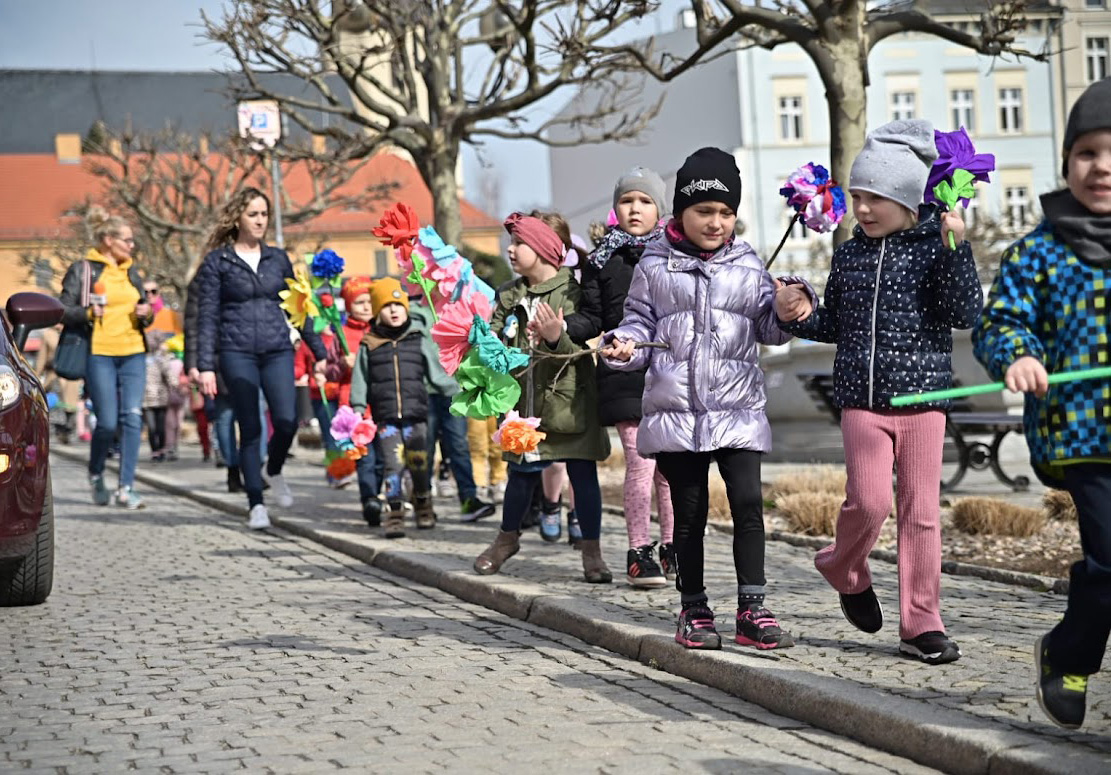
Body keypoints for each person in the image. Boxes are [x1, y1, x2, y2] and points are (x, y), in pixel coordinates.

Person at [780, 120, 982, 665]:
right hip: (861, 401)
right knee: (867, 503)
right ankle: (843, 566)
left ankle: (922, 623)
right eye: (858, 197)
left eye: (876, 199)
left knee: (920, 514)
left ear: (908, 199)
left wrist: (957, 248)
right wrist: (800, 313)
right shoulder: (848, 254)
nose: (863, 209)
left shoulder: (937, 247)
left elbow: (965, 314)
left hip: (922, 403)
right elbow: (834, 323)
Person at [603, 147, 801, 650]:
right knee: (689, 516)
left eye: (725, 212)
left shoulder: (748, 262)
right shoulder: (654, 264)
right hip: (677, 413)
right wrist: (622, 345)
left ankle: (752, 608)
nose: (715, 222)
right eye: (704, 212)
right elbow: (638, 323)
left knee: (749, 507)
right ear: (681, 214)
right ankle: (693, 608)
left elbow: (769, 327)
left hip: (737, 411)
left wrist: (788, 306)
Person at [973, 78, 1111, 728]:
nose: (1101, 166)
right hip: (1081, 437)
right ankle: (1068, 655)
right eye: (1086, 152)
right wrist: (1018, 354)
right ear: (1065, 163)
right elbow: (999, 322)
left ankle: (1067, 646)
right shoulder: (1037, 251)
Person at [473, 210, 612, 583]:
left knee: (583, 476)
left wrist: (555, 335)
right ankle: (506, 539)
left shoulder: (574, 291)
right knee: (521, 474)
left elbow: (579, 345)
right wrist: (481, 345)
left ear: (545, 249)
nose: (511, 250)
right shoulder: (509, 294)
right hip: (525, 404)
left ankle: (592, 552)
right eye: (512, 242)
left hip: (571, 401)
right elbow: (495, 340)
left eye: (520, 243)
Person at [565, 166, 676, 586]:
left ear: (659, 209)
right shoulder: (601, 261)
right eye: (627, 200)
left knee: (671, 467)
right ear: (615, 208)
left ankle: (672, 547)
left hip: (667, 370)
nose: (635, 208)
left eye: (645, 201)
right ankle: (638, 550)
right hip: (622, 373)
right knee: (639, 461)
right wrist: (562, 328)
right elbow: (592, 316)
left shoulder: (674, 255)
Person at [195, 187, 328, 529]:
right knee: (250, 426)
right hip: (235, 351)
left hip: (277, 348)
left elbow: (299, 307)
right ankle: (256, 503)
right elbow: (206, 315)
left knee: (286, 421)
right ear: (237, 217)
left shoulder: (278, 259)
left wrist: (320, 351)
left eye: (264, 214)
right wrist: (205, 365)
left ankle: (275, 468)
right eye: (253, 214)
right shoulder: (218, 262)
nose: (259, 221)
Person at [58, 206, 152, 509]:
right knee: (108, 422)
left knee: (133, 417)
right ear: (109, 239)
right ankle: (97, 473)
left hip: (134, 352)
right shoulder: (84, 269)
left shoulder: (131, 271)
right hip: (99, 353)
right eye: (128, 240)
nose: (131, 246)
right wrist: (87, 313)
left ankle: (126, 487)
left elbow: (146, 309)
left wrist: (146, 312)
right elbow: (62, 309)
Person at [349, 278, 434, 538]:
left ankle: (423, 502)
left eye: (399, 304)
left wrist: (457, 389)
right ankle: (395, 512)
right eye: (387, 306)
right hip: (386, 418)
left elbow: (437, 371)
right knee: (393, 466)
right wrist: (357, 407)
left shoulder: (418, 338)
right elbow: (360, 378)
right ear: (377, 311)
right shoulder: (370, 343)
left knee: (419, 465)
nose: (394, 311)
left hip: (415, 415)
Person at [409, 294, 497, 522]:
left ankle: (469, 499)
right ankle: (423, 500)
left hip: (453, 390)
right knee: (424, 448)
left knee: (458, 445)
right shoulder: (414, 312)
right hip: (424, 391)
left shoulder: (459, 307)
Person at [35, 324, 82, 444]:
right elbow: (42, 357)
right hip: (54, 376)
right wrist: (36, 375)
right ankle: (53, 434)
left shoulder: (77, 333)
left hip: (73, 377)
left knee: (71, 408)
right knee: (55, 407)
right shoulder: (48, 334)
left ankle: (68, 432)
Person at [142, 330, 175, 462]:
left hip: (161, 397)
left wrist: (175, 384)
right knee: (151, 427)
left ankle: (161, 449)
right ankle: (154, 450)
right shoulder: (142, 358)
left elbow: (168, 373)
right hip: (146, 398)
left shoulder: (161, 358)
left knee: (161, 427)